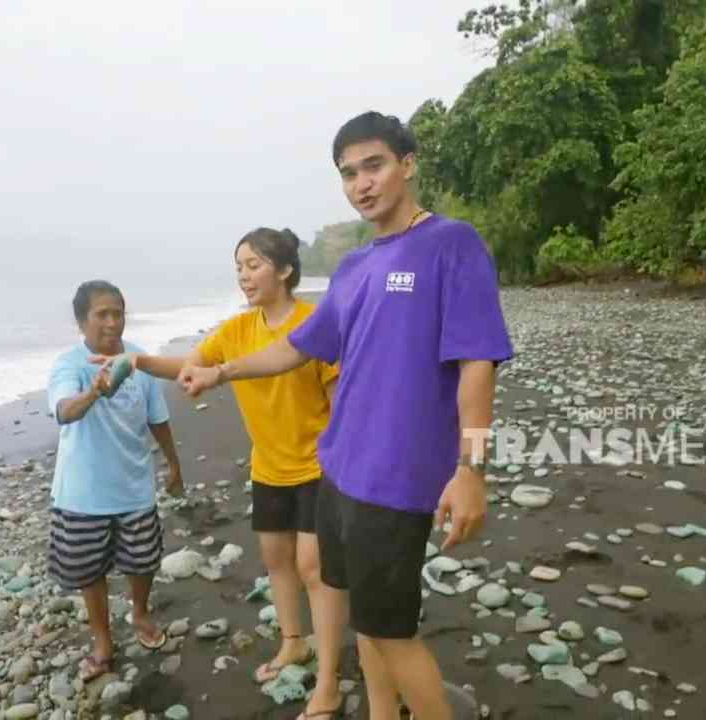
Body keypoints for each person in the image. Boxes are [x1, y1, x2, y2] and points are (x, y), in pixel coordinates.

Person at [181, 111, 514, 720]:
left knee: (391, 630)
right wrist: (221, 371)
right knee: (364, 614)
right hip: (337, 470)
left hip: (400, 477)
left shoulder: (451, 243)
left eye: (374, 165)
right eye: (348, 173)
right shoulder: (356, 267)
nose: (362, 183)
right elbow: (298, 346)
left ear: (408, 164)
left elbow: (477, 363)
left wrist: (471, 467)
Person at [91, 229, 348, 720]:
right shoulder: (236, 330)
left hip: (320, 467)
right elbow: (191, 367)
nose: (244, 276)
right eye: (239, 267)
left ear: (285, 271)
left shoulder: (314, 325)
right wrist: (137, 359)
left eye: (253, 265)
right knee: (277, 562)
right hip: (270, 466)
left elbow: (340, 407)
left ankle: (331, 682)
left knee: (317, 570)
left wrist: (342, 471)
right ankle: (294, 643)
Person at [47, 280, 185, 683]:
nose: (112, 322)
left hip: (135, 486)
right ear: (81, 321)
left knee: (143, 561)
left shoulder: (139, 361)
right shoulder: (69, 365)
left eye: (118, 312)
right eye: (102, 314)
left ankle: (139, 613)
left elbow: (157, 417)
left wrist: (174, 464)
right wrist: (93, 392)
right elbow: (64, 411)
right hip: (83, 493)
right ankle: (103, 639)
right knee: (90, 571)